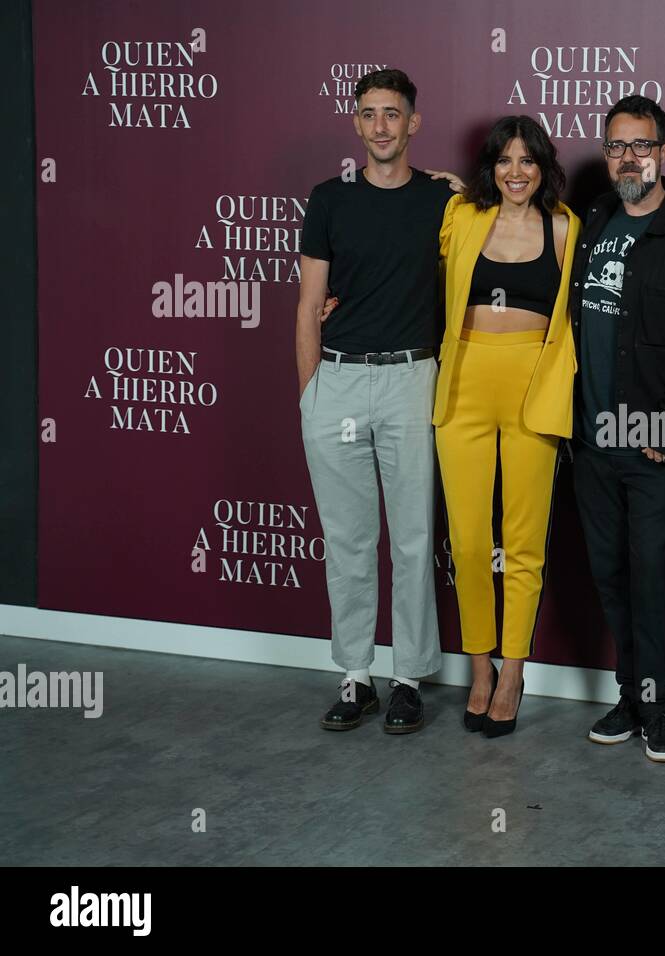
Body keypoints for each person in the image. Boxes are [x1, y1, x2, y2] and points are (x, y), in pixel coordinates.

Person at [572, 95, 665, 762]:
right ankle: (631, 694)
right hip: (591, 438)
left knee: (653, 574)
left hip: (658, 436)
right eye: (616, 146)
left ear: (662, 151)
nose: (628, 157)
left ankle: (661, 706)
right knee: (609, 572)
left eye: (640, 145)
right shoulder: (596, 219)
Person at [297, 69, 451, 734]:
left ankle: (408, 677)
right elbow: (308, 307)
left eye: (393, 114)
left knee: (414, 538)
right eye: (369, 114)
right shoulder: (329, 199)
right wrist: (310, 395)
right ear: (356, 123)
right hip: (337, 380)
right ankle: (355, 675)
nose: (381, 125)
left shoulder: (443, 200)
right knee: (349, 539)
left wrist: (467, 189)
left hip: (412, 378)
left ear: (413, 122)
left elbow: (500, 229)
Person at [435, 116, 580, 737]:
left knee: (523, 543)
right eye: (504, 160)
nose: (516, 172)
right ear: (489, 168)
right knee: (468, 541)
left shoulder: (567, 227)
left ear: (544, 167)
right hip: (464, 386)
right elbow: (396, 253)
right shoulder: (462, 218)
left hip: (533, 389)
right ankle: (479, 668)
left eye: (528, 160)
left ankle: (514, 669)